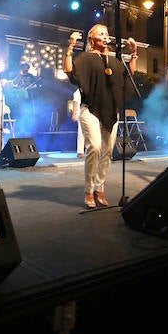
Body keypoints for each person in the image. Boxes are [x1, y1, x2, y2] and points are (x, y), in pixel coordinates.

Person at [63, 25, 137, 209]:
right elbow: (69, 71)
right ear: (92, 39)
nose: (105, 36)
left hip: (111, 111)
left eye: (106, 33)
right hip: (90, 109)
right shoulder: (86, 58)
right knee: (95, 147)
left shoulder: (114, 61)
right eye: (101, 34)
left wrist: (134, 54)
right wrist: (71, 47)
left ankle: (100, 188)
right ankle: (89, 190)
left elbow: (129, 76)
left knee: (107, 152)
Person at [71, 87, 84, 158]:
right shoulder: (78, 92)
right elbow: (75, 102)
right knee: (81, 132)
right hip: (80, 113)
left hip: (89, 113)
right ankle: (80, 151)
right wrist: (74, 114)